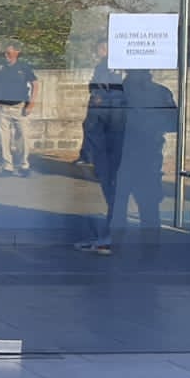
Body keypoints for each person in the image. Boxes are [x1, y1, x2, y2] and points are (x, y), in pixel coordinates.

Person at [115, 69, 178, 244]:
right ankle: (150, 246)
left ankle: (116, 242)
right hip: (148, 154)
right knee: (148, 206)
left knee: (118, 204)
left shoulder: (117, 93)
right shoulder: (160, 92)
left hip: (123, 155)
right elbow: (173, 123)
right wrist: (152, 124)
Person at [75, 39, 125, 255]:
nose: (99, 51)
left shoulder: (109, 73)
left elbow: (96, 123)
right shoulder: (106, 69)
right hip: (108, 146)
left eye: (101, 48)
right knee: (113, 190)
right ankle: (108, 235)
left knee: (114, 190)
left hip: (110, 148)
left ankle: (109, 238)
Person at [0, 42, 38, 176]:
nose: (6, 55)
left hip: (19, 107)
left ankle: (24, 164)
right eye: (5, 53)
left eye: (9, 53)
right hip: (2, 107)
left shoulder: (24, 67)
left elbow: (35, 84)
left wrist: (31, 104)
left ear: (17, 53)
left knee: (23, 137)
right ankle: (7, 166)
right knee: (3, 139)